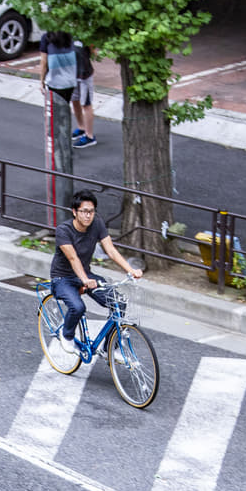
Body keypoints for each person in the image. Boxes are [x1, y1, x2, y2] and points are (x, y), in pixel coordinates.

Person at [49, 189, 142, 355]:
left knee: (118, 302)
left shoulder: (97, 223)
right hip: (62, 278)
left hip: (86, 275)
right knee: (78, 307)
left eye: (91, 211)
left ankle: (109, 348)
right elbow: (73, 258)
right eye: (84, 211)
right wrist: (84, 279)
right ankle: (67, 335)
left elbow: (111, 251)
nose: (88, 216)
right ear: (74, 212)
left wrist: (131, 270)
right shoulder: (64, 231)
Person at [38, 30, 77, 106]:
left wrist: (42, 81)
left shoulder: (47, 38)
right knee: (65, 108)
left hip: (54, 82)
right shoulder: (70, 36)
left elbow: (44, 62)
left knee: (55, 112)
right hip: (70, 82)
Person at [71, 39, 97, 148]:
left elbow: (93, 49)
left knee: (86, 103)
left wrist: (92, 50)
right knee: (74, 100)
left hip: (84, 73)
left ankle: (89, 136)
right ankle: (81, 127)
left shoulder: (85, 31)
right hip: (72, 72)